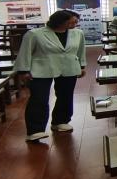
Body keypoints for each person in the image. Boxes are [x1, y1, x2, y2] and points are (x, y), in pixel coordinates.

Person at [16, 10, 86, 142]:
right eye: (71, 22)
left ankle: (61, 121)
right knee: (39, 98)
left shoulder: (78, 33)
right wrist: (23, 71)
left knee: (66, 95)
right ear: (59, 22)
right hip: (41, 68)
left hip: (69, 67)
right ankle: (35, 130)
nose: (74, 25)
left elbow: (81, 50)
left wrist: (81, 66)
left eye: (76, 22)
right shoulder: (35, 34)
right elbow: (25, 52)